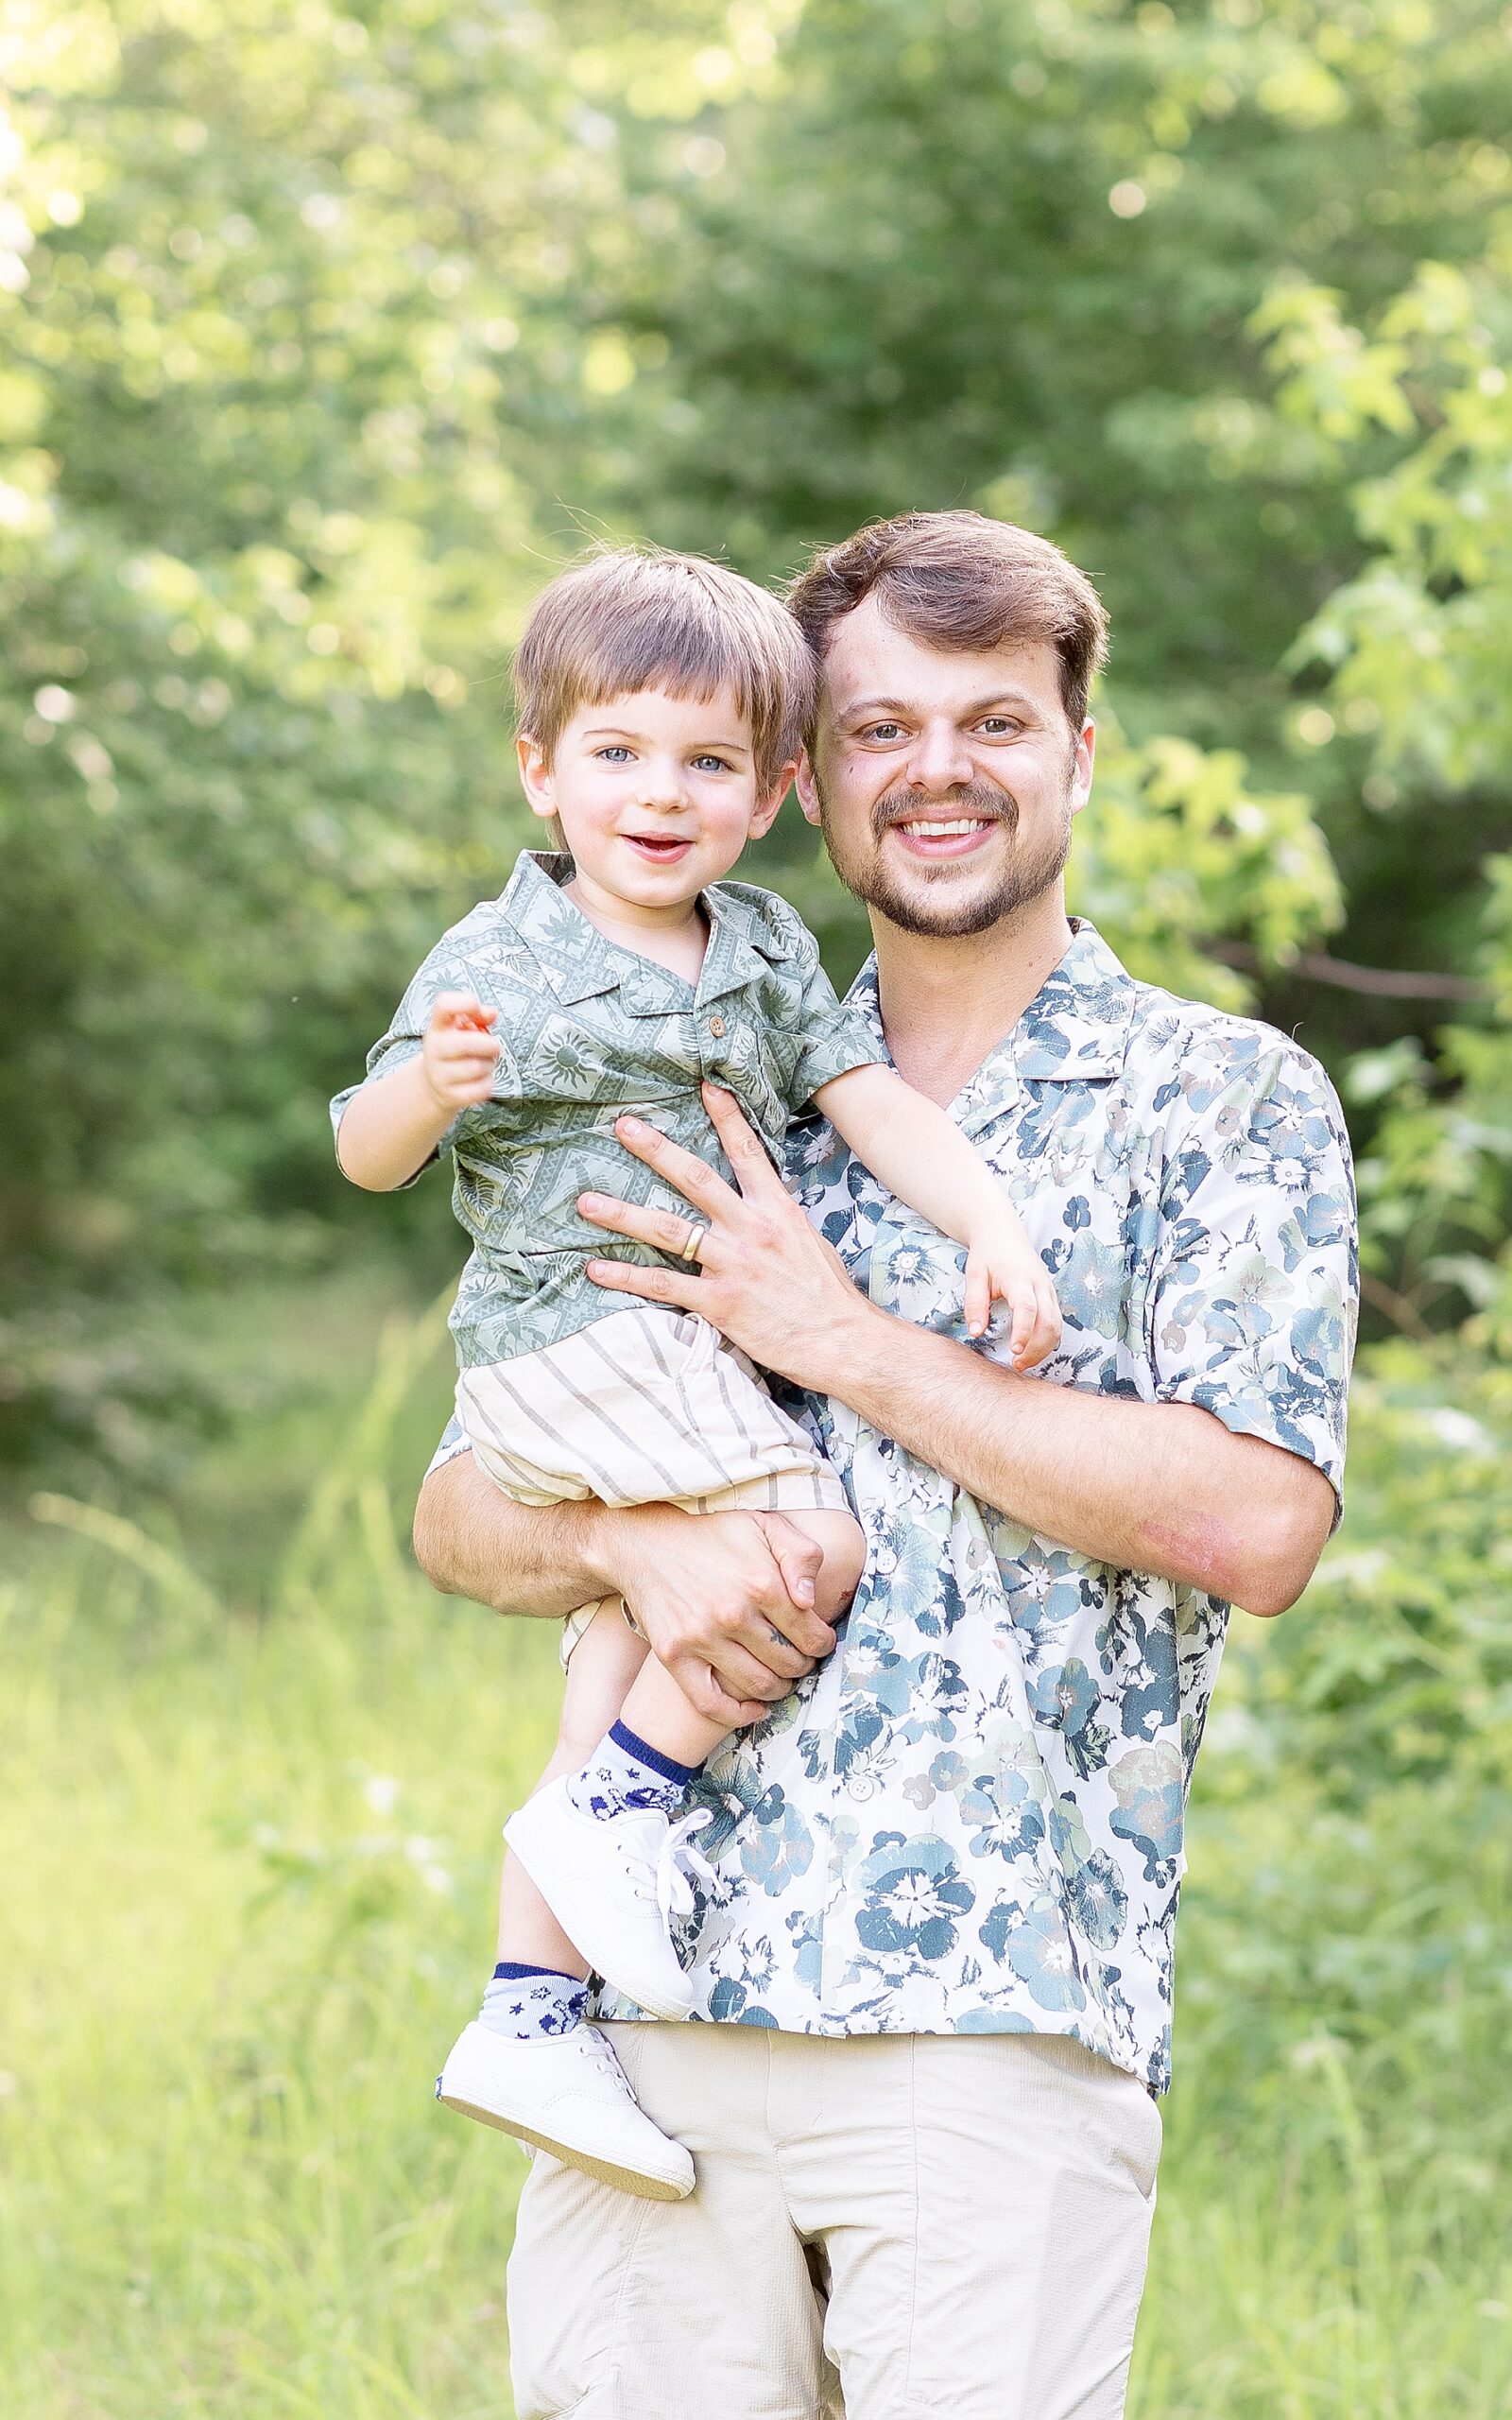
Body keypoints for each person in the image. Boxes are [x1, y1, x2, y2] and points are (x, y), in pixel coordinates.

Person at [414, 510, 1358, 2420]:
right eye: (878, 728)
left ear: (1079, 750)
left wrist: (846, 1340)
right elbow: (457, 1507)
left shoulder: (1218, 1095)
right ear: (803, 778)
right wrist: (628, 1543)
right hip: (643, 2029)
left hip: (987, 2021)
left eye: (993, 722)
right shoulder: (676, 1060)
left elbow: (1252, 1523)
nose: (935, 770)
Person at [332, 547, 1060, 2202]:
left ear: (775, 792)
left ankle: (531, 2000)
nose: (661, 795)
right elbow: (363, 1154)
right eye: (618, 754)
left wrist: (992, 1223)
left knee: (632, 1619)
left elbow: (867, 1103)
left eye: (709, 764)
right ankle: (616, 1814)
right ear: (542, 769)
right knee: (813, 1548)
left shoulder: (765, 954)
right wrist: (432, 1089)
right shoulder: (503, 957)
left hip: (654, 1357)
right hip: (576, 1336)